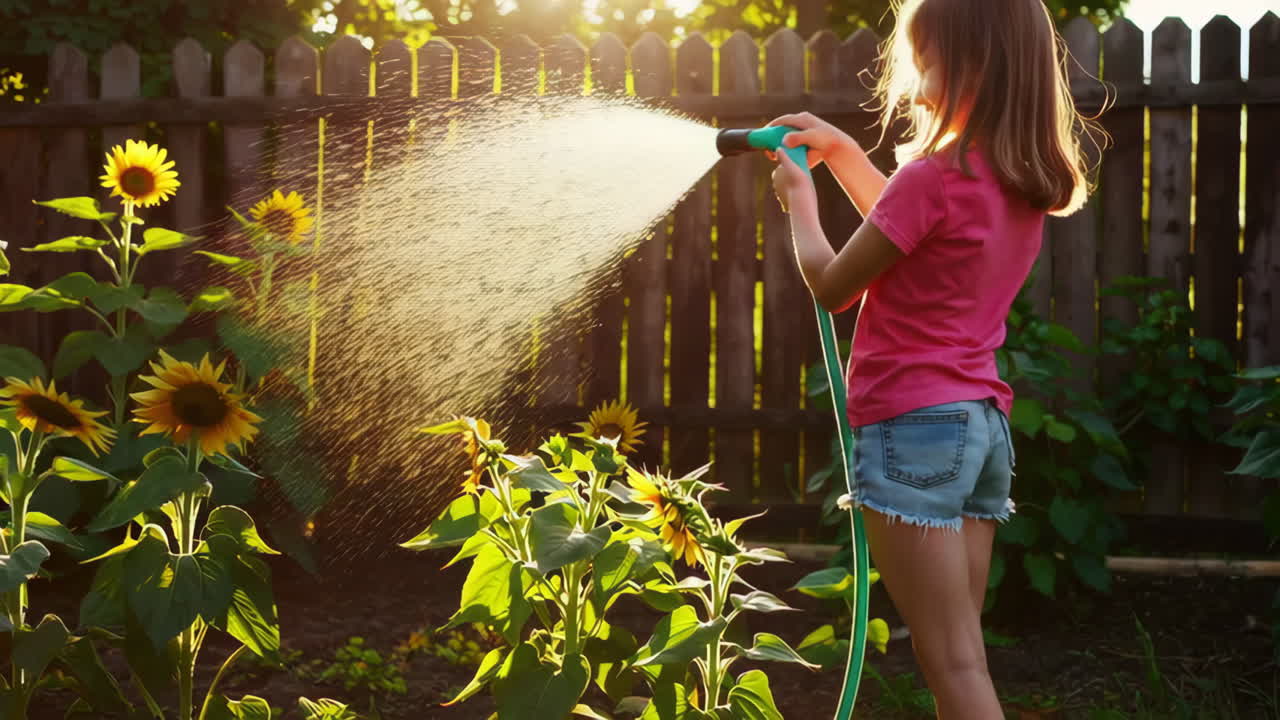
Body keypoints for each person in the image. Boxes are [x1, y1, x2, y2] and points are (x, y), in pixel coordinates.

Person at [767, 0, 1096, 717]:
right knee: (962, 654)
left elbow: (833, 288)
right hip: (978, 432)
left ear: (971, 62)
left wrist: (800, 199)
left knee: (950, 663)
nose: (916, 70)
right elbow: (904, 230)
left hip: (915, 430)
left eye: (927, 54)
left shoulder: (932, 178)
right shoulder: (1013, 181)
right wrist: (847, 156)